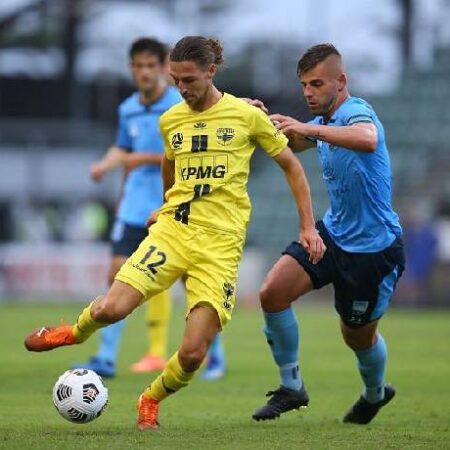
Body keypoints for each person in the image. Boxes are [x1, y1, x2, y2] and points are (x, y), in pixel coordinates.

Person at [24, 35, 325, 431]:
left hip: (219, 248)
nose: (181, 89)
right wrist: (167, 205)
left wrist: (307, 226)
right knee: (110, 308)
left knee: (193, 353)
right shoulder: (171, 119)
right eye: (175, 79)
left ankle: (150, 398)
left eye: (188, 80)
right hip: (174, 232)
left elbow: (292, 166)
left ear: (210, 71)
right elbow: (170, 163)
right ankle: (73, 334)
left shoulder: (246, 115)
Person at [252, 43, 405, 425]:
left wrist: (307, 126)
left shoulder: (355, 111)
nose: (308, 92)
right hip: (333, 235)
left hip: (373, 250)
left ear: (341, 81)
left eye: (316, 83)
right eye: (304, 84)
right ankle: (292, 387)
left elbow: (367, 138)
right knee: (272, 293)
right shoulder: (327, 123)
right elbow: (293, 142)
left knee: (357, 337)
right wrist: (260, 121)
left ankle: (375, 393)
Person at [70, 36, 226, 379]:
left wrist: (138, 158)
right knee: (116, 276)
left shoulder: (180, 103)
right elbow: (121, 147)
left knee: (190, 283)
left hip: (169, 203)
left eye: (151, 65)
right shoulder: (128, 108)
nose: (144, 72)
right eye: (138, 65)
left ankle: (213, 354)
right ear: (132, 69)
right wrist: (104, 165)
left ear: (163, 69)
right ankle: (107, 356)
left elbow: (183, 154)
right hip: (134, 204)